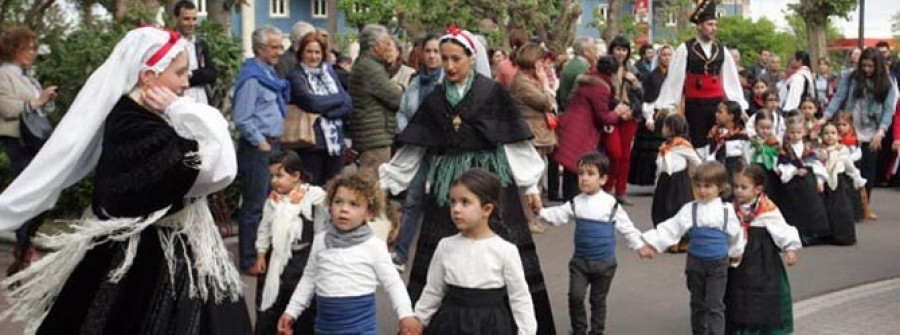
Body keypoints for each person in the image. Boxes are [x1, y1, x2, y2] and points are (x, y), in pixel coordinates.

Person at [0, 27, 249, 333]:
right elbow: (220, 167)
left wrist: (176, 109)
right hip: (145, 260)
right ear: (148, 76)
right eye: (180, 73)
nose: (186, 82)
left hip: (165, 248)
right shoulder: (134, 124)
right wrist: (180, 107)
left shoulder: (151, 114)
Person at [380, 26, 556, 334]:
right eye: (444, 58)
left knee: (500, 248)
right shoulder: (435, 98)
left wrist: (530, 186)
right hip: (448, 185)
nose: (448, 66)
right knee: (442, 250)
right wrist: (386, 184)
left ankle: (508, 322)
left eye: (455, 59)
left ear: (471, 59)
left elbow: (514, 142)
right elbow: (415, 145)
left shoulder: (491, 92)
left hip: (490, 183)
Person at [277, 172, 421, 334]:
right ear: (330, 206)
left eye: (354, 204)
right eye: (338, 202)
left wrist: (406, 315)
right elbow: (309, 278)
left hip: (360, 328)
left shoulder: (374, 246)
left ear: (370, 213)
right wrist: (291, 311)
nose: (344, 209)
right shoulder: (321, 241)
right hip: (325, 328)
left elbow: (393, 283)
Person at [535, 152, 651, 335]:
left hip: (604, 264)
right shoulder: (575, 203)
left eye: (590, 174)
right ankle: (579, 330)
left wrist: (640, 246)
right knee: (575, 297)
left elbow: (627, 228)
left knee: (597, 300)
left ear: (603, 179)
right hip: (580, 263)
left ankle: (597, 331)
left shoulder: (610, 204)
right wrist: (540, 211)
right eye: (581, 174)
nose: (584, 178)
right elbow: (557, 216)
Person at [414, 169, 537, 334]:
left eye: (465, 202)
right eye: (453, 202)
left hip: (490, 325)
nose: (456, 209)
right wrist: (417, 322)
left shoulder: (505, 250)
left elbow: (519, 297)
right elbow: (433, 291)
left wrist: (527, 332)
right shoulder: (446, 246)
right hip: (450, 323)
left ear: (486, 209)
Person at [641, 161, 746, 335]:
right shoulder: (691, 209)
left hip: (718, 264)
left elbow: (735, 235)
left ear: (720, 187)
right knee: (697, 303)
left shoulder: (726, 211)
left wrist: (735, 253)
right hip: (695, 262)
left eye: (708, 186)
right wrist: (651, 244)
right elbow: (672, 227)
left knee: (715, 305)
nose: (702, 191)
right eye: (698, 186)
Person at [646, 0, 747, 151]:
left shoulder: (722, 50)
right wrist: (668, 105)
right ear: (699, 25)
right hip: (695, 106)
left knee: (718, 141)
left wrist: (739, 105)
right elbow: (674, 80)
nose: (714, 29)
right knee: (698, 143)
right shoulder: (685, 49)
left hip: (717, 106)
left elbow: (731, 81)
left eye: (715, 25)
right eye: (710, 25)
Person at [0, 26, 58, 276]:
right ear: (16, 50)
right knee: (28, 192)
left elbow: (39, 110)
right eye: (29, 48)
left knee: (40, 193)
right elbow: (6, 108)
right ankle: (24, 246)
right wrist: (37, 101)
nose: (33, 53)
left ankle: (24, 246)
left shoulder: (28, 77)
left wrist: (46, 100)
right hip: (17, 141)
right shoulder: (4, 75)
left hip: (34, 142)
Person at [234, 26, 290, 273]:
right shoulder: (252, 78)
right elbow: (242, 118)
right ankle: (248, 260)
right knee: (254, 206)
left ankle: (263, 256)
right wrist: (261, 141)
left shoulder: (270, 74)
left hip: (273, 145)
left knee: (271, 204)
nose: (280, 51)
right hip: (258, 149)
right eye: (275, 47)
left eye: (281, 46)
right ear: (260, 49)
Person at [252, 151, 327, 334]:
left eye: (279, 175)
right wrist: (261, 254)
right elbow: (264, 228)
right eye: (272, 176)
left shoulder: (312, 195)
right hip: (275, 259)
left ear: (296, 176)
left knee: (299, 302)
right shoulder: (273, 201)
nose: (274, 181)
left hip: (302, 260)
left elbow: (322, 224)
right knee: (270, 303)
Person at [725, 165, 801, 335]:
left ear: (758, 189)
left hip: (762, 259)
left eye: (743, 187)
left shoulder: (766, 209)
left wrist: (790, 248)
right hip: (738, 259)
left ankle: (763, 326)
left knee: (762, 293)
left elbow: (781, 228)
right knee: (737, 292)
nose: (738, 191)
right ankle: (738, 325)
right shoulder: (730, 208)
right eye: (736, 186)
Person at [821, 47, 898, 214]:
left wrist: (881, 132)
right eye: (864, 65)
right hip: (851, 128)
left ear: (877, 66)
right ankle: (847, 206)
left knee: (868, 171)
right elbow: (838, 97)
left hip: (873, 130)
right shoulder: (850, 77)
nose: (867, 69)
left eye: (871, 66)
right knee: (849, 167)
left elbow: (888, 110)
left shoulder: (887, 83)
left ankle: (863, 206)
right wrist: (826, 116)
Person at [393, 33, 444, 272]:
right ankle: (401, 255)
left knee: (440, 203)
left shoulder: (448, 82)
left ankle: (438, 258)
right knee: (412, 201)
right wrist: (408, 134)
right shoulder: (415, 81)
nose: (432, 56)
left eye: (436, 51)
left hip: (442, 153)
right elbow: (403, 112)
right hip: (417, 151)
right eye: (429, 51)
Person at [286, 32, 353, 186]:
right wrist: (339, 98)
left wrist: (326, 112)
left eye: (317, 52)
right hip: (310, 144)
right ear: (301, 53)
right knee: (311, 189)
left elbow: (348, 105)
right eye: (309, 52)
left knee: (333, 189)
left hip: (335, 144)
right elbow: (312, 103)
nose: (313, 56)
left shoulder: (329, 73)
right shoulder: (296, 76)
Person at [509, 42, 558, 233]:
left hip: (539, 133)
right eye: (542, 61)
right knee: (529, 180)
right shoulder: (522, 82)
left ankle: (532, 217)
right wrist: (546, 84)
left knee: (536, 179)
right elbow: (547, 102)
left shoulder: (529, 80)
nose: (545, 65)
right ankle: (527, 220)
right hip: (531, 133)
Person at [554, 56, 617, 201]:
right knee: (579, 165)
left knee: (571, 165)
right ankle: (576, 201)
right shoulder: (600, 87)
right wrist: (617, 113)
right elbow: (603, 117)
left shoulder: (588, 80)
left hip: (571, 123)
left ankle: (569, 199)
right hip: (582, 128)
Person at [347, 24, 403, 180]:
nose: (388, 48)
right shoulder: (370, 68)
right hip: (373, 139)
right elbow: (396, 99)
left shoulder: (368, 64)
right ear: (376, 46)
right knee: (373, 186)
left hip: (372, 135)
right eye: (386, 44)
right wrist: (401, 89)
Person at [775, 118, 829, 245]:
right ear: (787, 133)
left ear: (804, 132)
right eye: (792, 132)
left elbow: (816, 163)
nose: (795, 135)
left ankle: (811, 234)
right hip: (792, 184)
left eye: (798, 132)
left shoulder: (807, 147)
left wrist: (820, 180)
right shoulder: (784, 149)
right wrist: (794, 170)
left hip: (808, 182)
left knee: (811, 208)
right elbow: (780, 166)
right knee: (794, 210)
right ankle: (797, 234)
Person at [603, 36, 643, 204]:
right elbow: (603, 95)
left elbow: (641, 96)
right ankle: (606, 188)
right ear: (612, 49)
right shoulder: (606, 68)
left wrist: (635, 83)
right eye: (618, 49)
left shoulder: (633, 70)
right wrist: (617, 109)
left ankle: (621, 191)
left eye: (624, 50)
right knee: (614, 153)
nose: (621, 53)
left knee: (626, 155)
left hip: (629, 116)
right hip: (612, 116)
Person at [633, 45, 674, 188]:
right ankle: (653, 180)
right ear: (659, 57)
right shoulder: (652, 76)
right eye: (664, 55)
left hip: (671, 115)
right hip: (656, 115)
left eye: (669, 55)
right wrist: (649, 118)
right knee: (653, 152)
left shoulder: (674, 76)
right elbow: (648, 98)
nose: (667, 58)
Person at [817, 122, 865, 246]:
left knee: (842, 209)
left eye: (833, 133)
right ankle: (827, 234)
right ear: (821, 136)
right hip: (824, 182)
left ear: (838, 136)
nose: (829, 136)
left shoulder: (843, 150)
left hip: (839, 181)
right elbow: (816, 167)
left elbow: (850, 167)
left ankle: (844, 236)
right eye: (826, 133)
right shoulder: (819, 151)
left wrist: (857, 178)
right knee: (825, 209)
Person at [652, 114, 701, 228]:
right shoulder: (665, 145)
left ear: (671, 129)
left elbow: (696, 161)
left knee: (677, 207)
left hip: (679, 180)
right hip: (665, 179)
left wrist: (692, 175)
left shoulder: (682, 145)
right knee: (661, 207)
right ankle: (664, 233)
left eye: (664, 126)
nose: (662, 129)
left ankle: (680, 238)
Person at [172, 0, 216, 104]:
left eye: (194, 19)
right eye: (186, 19)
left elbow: (212, 74)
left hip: (202, 99)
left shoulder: (200, 44)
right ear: (175, 18)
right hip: (177, 99)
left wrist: (190, 74)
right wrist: (200, 76)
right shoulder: (169, 44)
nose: (191, 23)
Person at [707, 100, 749, 200]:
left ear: (731, 116)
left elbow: (746, 159)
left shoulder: (741, 136)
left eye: (720, 112)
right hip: (715, 175)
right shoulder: (713, 132)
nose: (716, 114)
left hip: (732, 178)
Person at [836, 111, 869, 221]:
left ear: (850, 125)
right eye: (838, 125)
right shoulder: (834, 137)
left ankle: (859, 213)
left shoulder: (853, 139)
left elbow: (858, 153)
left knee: (854, 191)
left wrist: (848, 159)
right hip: (838, 167)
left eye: (844, 125)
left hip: (851, 167)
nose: (841, 128)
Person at [745, 110, 784, 197]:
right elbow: (747, 157)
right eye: (762, 128)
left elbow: (778, 158)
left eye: (768, 128)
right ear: (755, 126)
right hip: (754, 172)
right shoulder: (751, 142)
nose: (765, 131)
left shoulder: (775, 143)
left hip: (770, 175)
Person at [557, 37, 598, 111]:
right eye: (594, 49)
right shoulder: (583, 68)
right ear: (585, 52)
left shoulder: (572, 64)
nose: (596, 52)